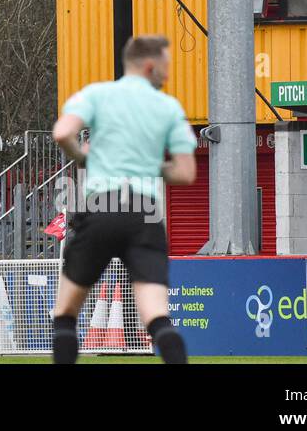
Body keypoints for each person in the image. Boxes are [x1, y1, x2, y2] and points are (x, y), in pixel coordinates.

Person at [48, 35, 198, 364]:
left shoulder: (97, 94)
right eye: (166, 66)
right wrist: (152, 165)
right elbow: (186, 174)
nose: (168, 74)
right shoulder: (168, 107)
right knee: (158, 318)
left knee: (65, 313)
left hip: (102, 206)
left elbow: (62, 132)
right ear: (149, 66)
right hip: (144, 212)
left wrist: (82, 156)